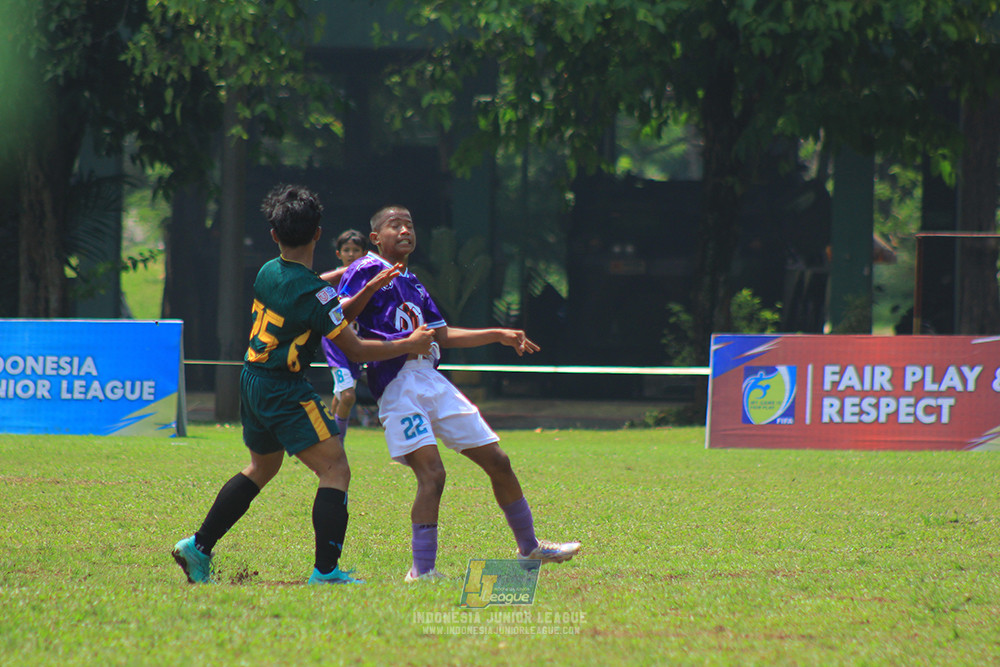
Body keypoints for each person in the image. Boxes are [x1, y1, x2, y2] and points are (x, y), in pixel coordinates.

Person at [171, 186, 433, 586]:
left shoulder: (267, 272)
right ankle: (326, 572)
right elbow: (355, 347)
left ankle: (198, 546)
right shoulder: (317, 293)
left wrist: (365, 289)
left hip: (253, 380)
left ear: (274, 235)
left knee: (263, 467)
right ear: (318, 234)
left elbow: (321, 309)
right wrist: (408, 344)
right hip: (284, 389)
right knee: (335, 468)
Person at [337, 205, 581, 582]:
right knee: (433, 475)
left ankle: (529, 547)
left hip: (431, 380)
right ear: (375, 238)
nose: (404, 230)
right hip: (398, 387)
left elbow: (442, 335)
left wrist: (497, 334)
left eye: (409, 225)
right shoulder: (364, 269)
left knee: (498, 460)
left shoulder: (413, 282)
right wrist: (379, 302)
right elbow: (338, 318)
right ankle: (422, 571)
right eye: (394, 225)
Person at [318, 230, 370, 445]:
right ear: (338, 253)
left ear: (364, 253)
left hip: (355, 345)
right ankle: (337, 447)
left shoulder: (368, 281)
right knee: (348, 396)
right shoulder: (333, 280)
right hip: (336, 344)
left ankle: (326, 441)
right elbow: (316, 293)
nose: (351, 254)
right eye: (346, 250)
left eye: (356, 250)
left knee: (340, 396)